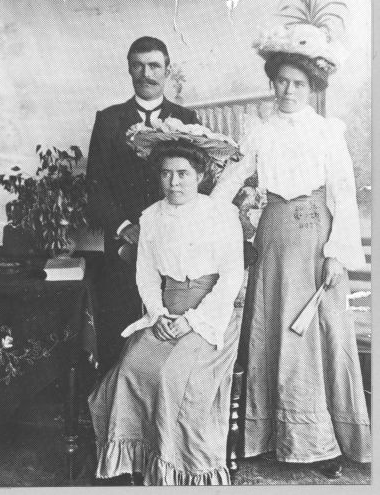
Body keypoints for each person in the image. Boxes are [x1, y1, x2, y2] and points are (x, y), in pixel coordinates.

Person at [211, 24, 371, 478]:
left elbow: (341, 194)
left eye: (298, 83)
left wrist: (337, 254)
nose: (288, 90)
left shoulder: (327, 131)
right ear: (272, 82)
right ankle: (270, 437)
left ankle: (324, 443)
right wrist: (203, 211)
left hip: (316, 237)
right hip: (274, 236)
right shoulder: (259, 130)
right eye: (281, 81)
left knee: (315, 336)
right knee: (270, 332)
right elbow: (233, 176)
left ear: (312, 87)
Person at [88, 140, 245, 486]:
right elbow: (146, 274)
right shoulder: (152, 217)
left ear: (201, 175)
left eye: (183, 174)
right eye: (166, 174)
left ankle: (178, 467)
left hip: (212, 314)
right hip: (166, 310)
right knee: (131, 367)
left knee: (174, 374)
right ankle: (140, 461)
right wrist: (159, 314)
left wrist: (191, 321)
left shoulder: (221, 214)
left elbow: (232, 276)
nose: (174, 182)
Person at [86, 37, 199, 370]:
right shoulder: (108, 120)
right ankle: (116, 414)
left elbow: (195, 181)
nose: (146, 73)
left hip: (173, 244)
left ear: (167, 69)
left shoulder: (186, 117)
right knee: (118, 331)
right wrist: (124, 228)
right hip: (123, 245)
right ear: (129, 68)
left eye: (154, 66)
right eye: (138, 65)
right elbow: (95, 186)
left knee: (166, 330)